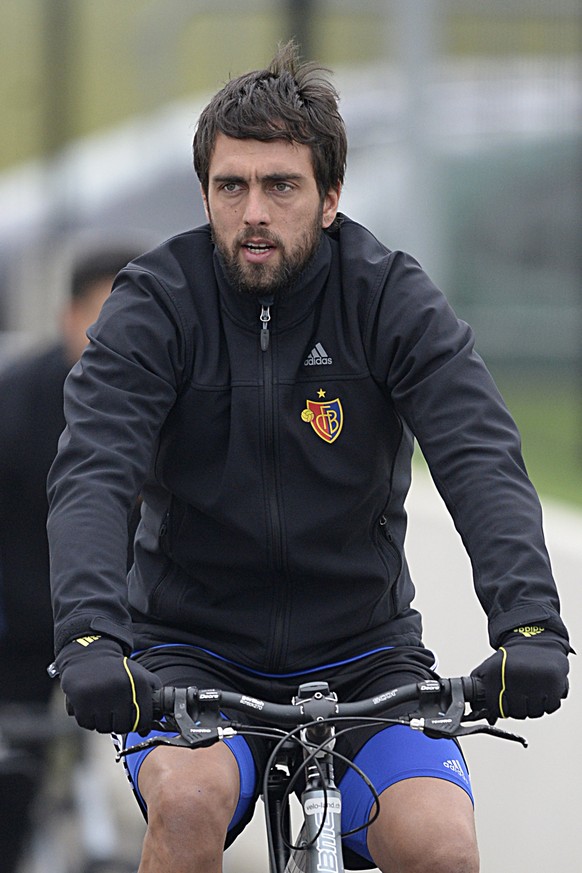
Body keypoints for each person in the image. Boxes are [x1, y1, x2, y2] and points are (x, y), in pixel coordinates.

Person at [47, 42, 571, 873]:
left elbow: (479, 456)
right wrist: (88, 637)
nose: (254, 211)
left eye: (280, 185)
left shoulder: (390, 296)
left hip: (367, 657)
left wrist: (530, 622)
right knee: (185, 804)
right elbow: (95, 471)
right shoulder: (154, 304)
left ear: (330, 197)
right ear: (207, 194)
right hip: (192, 655)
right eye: (232, 186)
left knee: (440, 846)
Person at [0, 236, 147, 873]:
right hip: (21, 632)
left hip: (133, 632)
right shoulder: (11, 406)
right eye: (104, 321)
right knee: (13, 791)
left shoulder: (177, 408)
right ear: (67, 319)